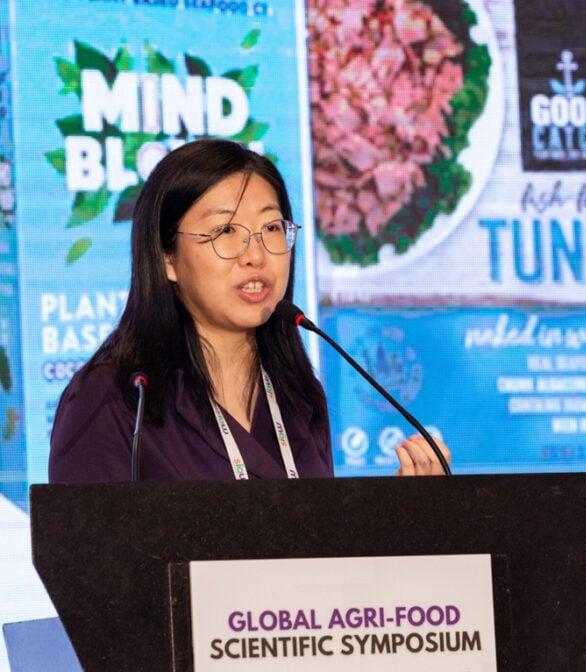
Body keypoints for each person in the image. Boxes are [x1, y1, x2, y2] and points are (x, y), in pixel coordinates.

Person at [48, 139, 449, 483]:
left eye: (271, 229)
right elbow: (88, 563)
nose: (255, 255)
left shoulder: (298, 394)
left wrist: (402, 513)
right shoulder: (117, 396)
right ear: (167, 257)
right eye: (225, 232)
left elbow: (318, 556)